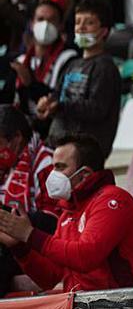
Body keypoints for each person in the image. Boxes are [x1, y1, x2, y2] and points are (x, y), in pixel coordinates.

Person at [0, 133, 133, 292]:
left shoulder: (113, 200)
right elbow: (50, 278)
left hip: (132, 300)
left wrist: (30, 234)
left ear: (85, 174)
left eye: (60, 167)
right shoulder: (67, 213)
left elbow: (86, 257)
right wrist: (20, 247)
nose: (52, 174)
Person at [38, 0, 122, 158]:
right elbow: (57, 95)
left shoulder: (105, 67)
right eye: (78, 22)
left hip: (84, 154)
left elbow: (96, 109)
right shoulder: (72, 64)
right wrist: (47, 104)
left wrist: (61, 106)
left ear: (104, 31)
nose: (81, 28)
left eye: (89, 23)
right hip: (58, 147)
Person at [0, 106, 58, 294]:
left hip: (32, 237)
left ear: (16, 138)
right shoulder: (6, 166)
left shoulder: (46, 163)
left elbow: (52, 218)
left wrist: (9, 219)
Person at [10, 0, 77, 122]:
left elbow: (62, 100)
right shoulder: (20, 61)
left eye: (52, 20)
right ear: (32, 24)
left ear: (61, 25)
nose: (45, 24)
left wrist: (31, 84)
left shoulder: (70, 59)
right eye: (40, 19)